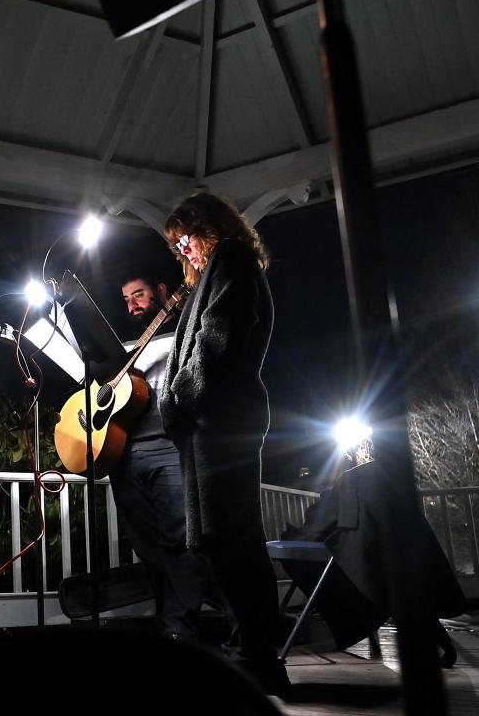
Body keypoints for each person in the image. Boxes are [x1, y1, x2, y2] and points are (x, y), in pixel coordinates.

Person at [156, 193, 289, 694]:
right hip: (209, 422)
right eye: (178, 246)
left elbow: (217, 340)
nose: (184, 251)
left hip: (222, 421)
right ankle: (251, 650)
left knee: (232, 540)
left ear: (207, 227)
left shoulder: (231, 260)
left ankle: (257, 656)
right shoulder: (216, 270)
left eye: (186, 238)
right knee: (218, 539)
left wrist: (180, 397)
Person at [112, 266, 218, 641]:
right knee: (146, 545)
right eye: (126, 299)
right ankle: (172, 621)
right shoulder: (120, 345)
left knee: (180, 537)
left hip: (168, 446)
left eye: (138, 294)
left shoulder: (182, 332)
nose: (132, 305)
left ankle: (181, 628)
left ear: (160, 290)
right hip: (123, 453)